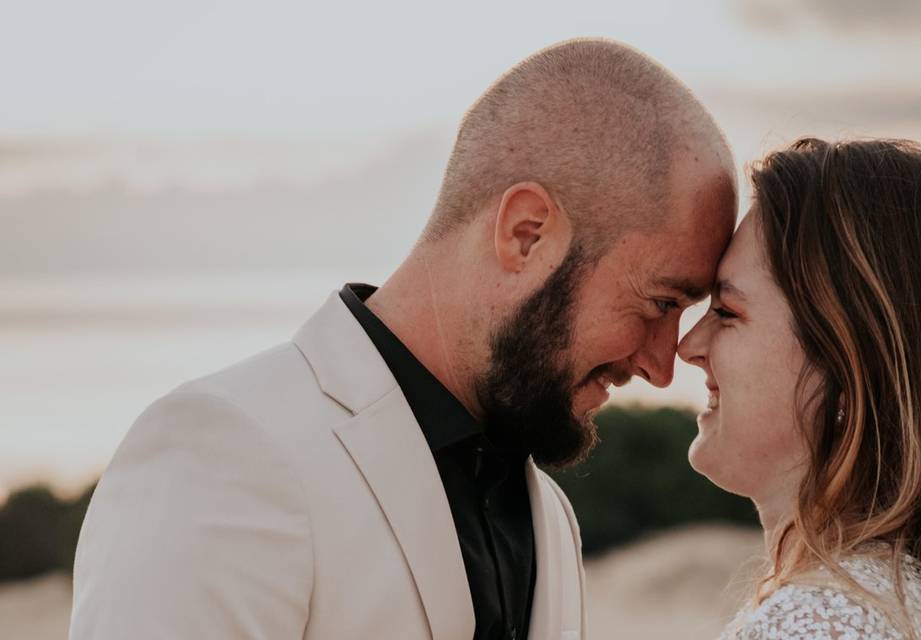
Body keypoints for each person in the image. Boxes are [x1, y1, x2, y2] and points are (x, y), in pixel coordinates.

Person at [69, 38, 737, 639]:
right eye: (660, 301)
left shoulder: (550, 521)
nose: (659, 363)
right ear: (526, 233)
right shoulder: (227, 453)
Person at [679, 137, 921, 639]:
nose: (689, 345)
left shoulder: (817, 622)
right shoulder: (895, 599)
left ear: (848, 372)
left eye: (726, 312)